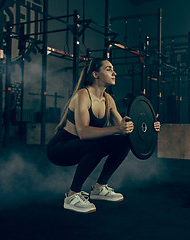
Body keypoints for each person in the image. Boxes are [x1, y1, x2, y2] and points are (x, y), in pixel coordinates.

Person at [46, 58, 160, 213]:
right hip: (59, 149)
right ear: (95, 74)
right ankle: (72, 196)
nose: (114, 72)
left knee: (121, 141)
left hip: (82, 146)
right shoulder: (83, 95)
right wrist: (117, 129)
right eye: (108, 69)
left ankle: (99, 188)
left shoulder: (108, 100)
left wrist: (150, 127)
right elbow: (84, 133)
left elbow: (126, 132)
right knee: (97, 142)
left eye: (113, 69)